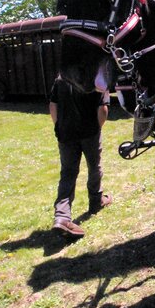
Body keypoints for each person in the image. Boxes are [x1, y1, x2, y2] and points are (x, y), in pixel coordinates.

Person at [50, 78, 113, 238]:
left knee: (68, 173)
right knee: (94, 167)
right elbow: (103, 109)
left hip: (66, 133)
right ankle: (96, 200)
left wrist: (59, 127)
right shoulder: (96, 80)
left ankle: (62, 217)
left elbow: (53, 105)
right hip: (89, 133)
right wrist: (96, 129)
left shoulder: (60, 79)